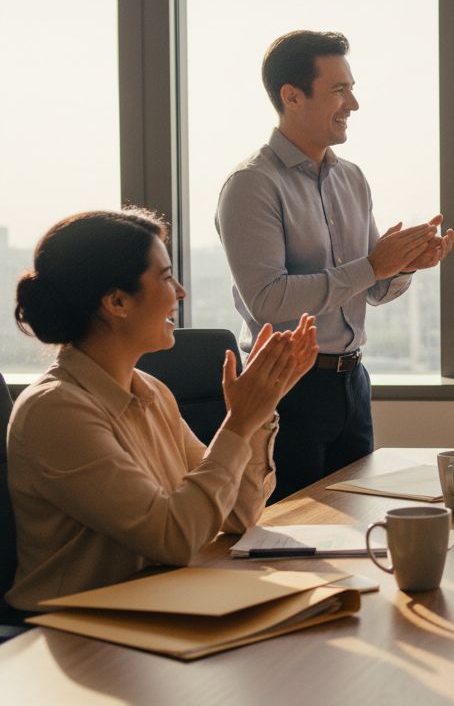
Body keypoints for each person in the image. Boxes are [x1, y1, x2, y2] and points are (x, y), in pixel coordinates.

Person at [5, 209, 317, 612]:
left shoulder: (152, 391)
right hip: (77, 635)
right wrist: (238, 423)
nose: (181, 292)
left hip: (155, 609)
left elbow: (237, 515)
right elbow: (173, 538)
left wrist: (257, 413)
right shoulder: (56, 411)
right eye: (167, 277)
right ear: (117, 301)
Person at [216, 30, 454, 501]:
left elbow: (373, 289)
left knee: (356, 526)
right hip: (287, 390)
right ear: (292, 96)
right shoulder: (251, 185)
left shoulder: (352, 178)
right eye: (340, 90)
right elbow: (268, 301)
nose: (354, 104)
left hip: (352, 385)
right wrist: (373, 266)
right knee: (295, 536)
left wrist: (404, 265)